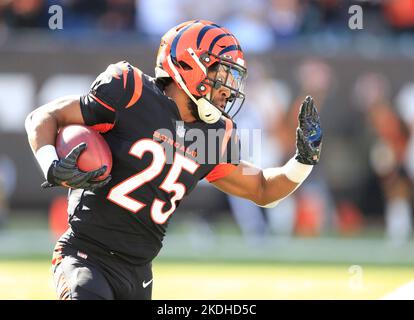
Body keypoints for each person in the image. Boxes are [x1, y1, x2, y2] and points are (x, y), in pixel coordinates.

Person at [25, 20, 322, 300]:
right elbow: (43, 116)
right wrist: (51, 163)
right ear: (191, 64)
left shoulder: (215, 133)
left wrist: (303, 161)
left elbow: (261, 190)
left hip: (139, 272)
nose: (229, 87)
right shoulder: (131, 91)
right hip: (86, 256)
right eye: (223, 74)